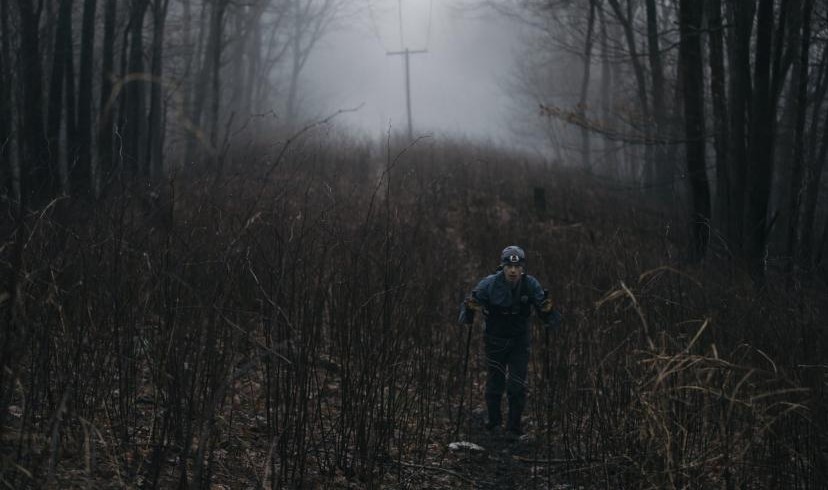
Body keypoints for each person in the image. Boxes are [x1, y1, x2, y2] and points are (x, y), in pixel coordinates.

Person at [458, 245, 561, 436]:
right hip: (495, 339)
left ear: (522, 267)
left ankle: (513, 428)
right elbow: (470, 302)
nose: (513, 270)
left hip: (519, 341)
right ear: (503, 266)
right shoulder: (489, 284)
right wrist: (470, 309)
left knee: (517, 384)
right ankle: (494, 423)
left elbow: (544, 308)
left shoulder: (530, 284)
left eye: (517, 266)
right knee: (495, 380)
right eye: (509, 266)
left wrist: (548, 312)